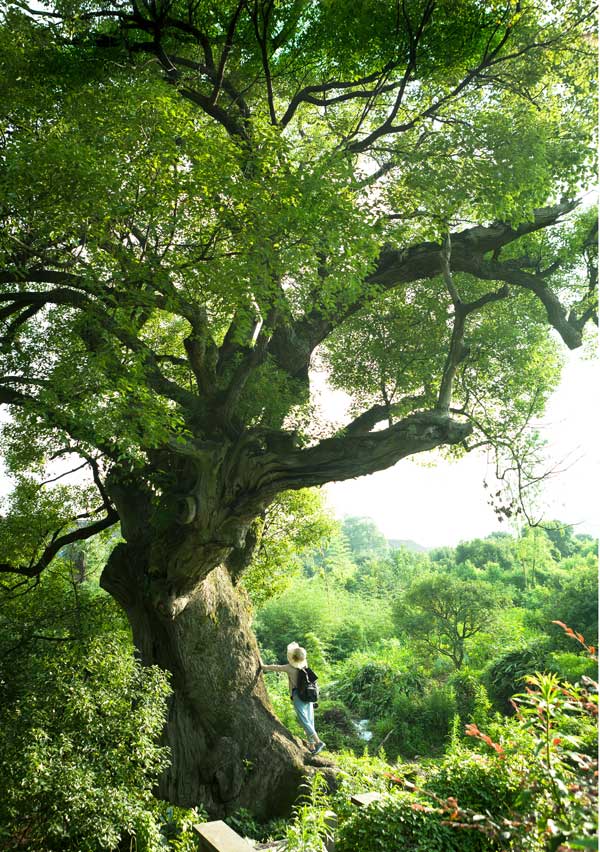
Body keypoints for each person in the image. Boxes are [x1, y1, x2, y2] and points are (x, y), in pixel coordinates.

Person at [261, 641, 326, 754]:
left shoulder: (289, 667)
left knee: (304, 720)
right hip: (308, 695)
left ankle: (318, 742)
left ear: (292, 657)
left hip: (298, 695)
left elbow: (275, 667)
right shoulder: (305, 665)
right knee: (310, 719)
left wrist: (263, 666)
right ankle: (311, 746)